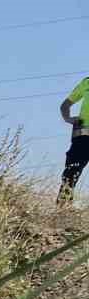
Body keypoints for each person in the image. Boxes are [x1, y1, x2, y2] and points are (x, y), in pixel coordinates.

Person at [58, 76, 89, 207]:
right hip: (82, 138)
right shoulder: (86, 82)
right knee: (71, 172)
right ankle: (63, 211)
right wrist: (68, 118)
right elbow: (65, 104)